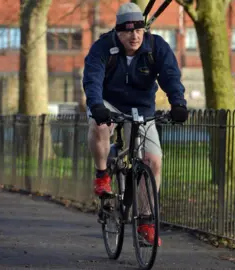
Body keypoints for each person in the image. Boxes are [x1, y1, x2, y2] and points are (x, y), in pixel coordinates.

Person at [82, 2, 188, 246]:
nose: (134, 36)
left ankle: (146, 223)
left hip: (142, 109)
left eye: (139, 30)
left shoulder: (155, 47)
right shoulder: (103, 47)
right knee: (98, 127)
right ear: (118, 32)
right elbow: (93, 78)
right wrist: (96, 105)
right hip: (108, 103)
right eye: (128, 31)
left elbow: (170, 76)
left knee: (153, 161)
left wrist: (178, 104)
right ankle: (101, 176)